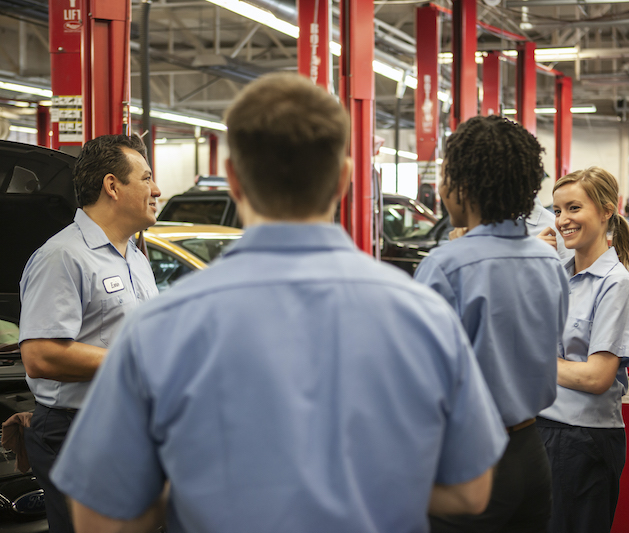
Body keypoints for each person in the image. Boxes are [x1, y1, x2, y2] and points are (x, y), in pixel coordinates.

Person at [49, 73, 508, 533]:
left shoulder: (159, 328)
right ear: (345, 177)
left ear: (233, 179)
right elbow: (472, 491)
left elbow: (98, 519)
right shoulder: (423, 315)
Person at [414, 115, 569, 533]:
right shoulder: (547, 263)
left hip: (469, 460)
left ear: (466, 186)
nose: (441, 187)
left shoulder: (444, 267)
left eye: (446, 175)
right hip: (533, 456)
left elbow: (423, 380)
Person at [18, 134, 161, 533]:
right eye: (146, 178)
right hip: (77, 432)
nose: (157, 190)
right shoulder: (63, 256)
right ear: (112, 186)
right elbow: (41, 356)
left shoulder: (135, 256)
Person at [537, 167, 629, 533]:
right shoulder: (560, 274)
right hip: (545, 429)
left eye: (573, 208)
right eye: (557, 211)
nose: (562, 220)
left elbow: (597, 377)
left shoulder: (617, 286)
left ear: (605, 211)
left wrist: (532, 362)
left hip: (582, 441)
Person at [527, 196, 574, 261]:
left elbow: (567, 269)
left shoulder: (554, 227)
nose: (562, 222)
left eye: (574, 208)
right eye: (557, 211)